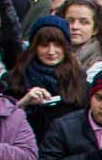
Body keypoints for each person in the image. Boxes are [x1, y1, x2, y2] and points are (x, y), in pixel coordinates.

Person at [8, 14, 87, 143]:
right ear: (34, 47)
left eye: (58, 45)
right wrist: (23, 104)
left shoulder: (79, 81)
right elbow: (0, 123)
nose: (51, 52)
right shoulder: (14, 79)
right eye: (44, 45)